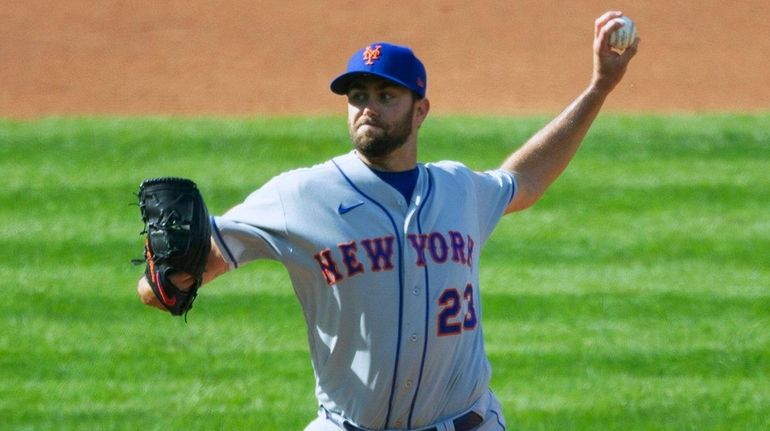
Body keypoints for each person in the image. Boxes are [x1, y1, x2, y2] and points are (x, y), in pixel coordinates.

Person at [137, 11, 639, 431]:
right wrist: (165, 280)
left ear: (420, 111)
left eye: (385, 96)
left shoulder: (459, 190)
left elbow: (523, 182)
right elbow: (179, 276)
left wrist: (600, 87)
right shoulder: (302, 195)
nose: (367, 108)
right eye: (357, 96)